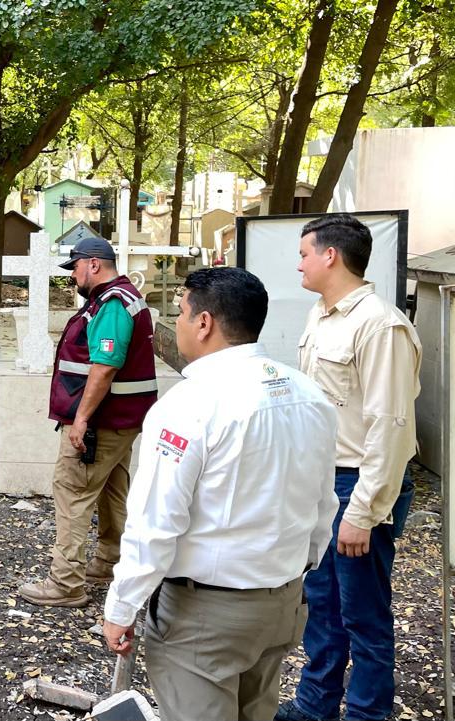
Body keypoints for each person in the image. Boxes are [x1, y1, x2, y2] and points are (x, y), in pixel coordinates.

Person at [102, 267, 338, 721]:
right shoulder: (310, 395)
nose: (179, 325)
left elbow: (155, 523)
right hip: (281, 603)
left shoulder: (188, 405)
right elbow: (323, 504)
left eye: (182, 314)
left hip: (205, 616)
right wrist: (298, 573)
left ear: (205, 322)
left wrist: (123, 605)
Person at [278, 214, 421, 721]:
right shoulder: (321, 315)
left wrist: (363, 510)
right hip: (323, 482)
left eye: (303, 254)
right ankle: (314, 707)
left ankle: (366, 714)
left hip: (358, 482)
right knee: (322, 607)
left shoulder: (380, 324)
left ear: (330, 256)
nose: (299, 263)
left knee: (364, 615)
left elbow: (392, 426)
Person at [19, 237, 158, 607]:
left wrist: (80, 419)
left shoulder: (112, 305)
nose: (73, 276)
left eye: (75, 268)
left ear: (94, 264)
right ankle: (110, 562)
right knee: (112, 491)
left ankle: (65, 583)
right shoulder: (121, 298)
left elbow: (105, 366)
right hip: (121, 421)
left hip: (102, 422)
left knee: (72, 491)